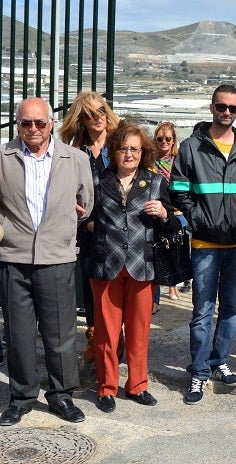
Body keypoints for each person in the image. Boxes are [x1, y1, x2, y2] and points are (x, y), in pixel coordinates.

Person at [0, 97, 94, 426]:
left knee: (60, 333)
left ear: (51, 123)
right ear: (18, 124)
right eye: (26, 123)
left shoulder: (75, 158)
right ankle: (21, 398)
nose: (33, 129)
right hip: (14, 256)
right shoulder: (3, 156)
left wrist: (67, 221)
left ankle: (61, 395)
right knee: (18, 333)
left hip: (57, 257)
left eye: (40, 122)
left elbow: (87, 204)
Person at [170, 84, 236, 405]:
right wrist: (198, 220)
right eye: (222, 106)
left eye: (233, 108)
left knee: (232, 307)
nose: (227, 112)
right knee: (202, 310)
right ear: (211, 108)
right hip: (205, 242)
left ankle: (220, 361)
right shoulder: (191, 147)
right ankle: (198, 371)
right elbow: (178, 190)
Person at [90, 120, 180, 413]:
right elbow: (83, 217)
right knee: (106, 332)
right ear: (113, 151)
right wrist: (88, 224)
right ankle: (106, 388)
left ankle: (137, 385)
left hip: (142, 266)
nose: (129, 155)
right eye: (123, 149)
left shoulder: (155, 182)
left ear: (143, 153)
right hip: (106, 265)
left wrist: (164, 214)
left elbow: (172, 225)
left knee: (139, 332)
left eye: (135, 150)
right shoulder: (97, 181)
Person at [58, 90, 121, 363]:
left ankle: (116, 338)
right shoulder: (73, 152)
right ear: (81, 119)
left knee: (115, 287)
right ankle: (95, 338)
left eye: (101, 111)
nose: (98, 117)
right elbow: (62, 187)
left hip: (117, 228)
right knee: (90, 285)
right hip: (85, 228)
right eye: (90, 114)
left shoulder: (119, 145)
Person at [153, 121, 190, 304]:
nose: (164, 142)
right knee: (156, 251)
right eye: (160, 138)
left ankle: (173, 283)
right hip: (156, 211)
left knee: (174, 248)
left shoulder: (178, 162)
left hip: (176, 212)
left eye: (168, 138)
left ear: (174, 140)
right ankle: (155, 297)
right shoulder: (149, 161)